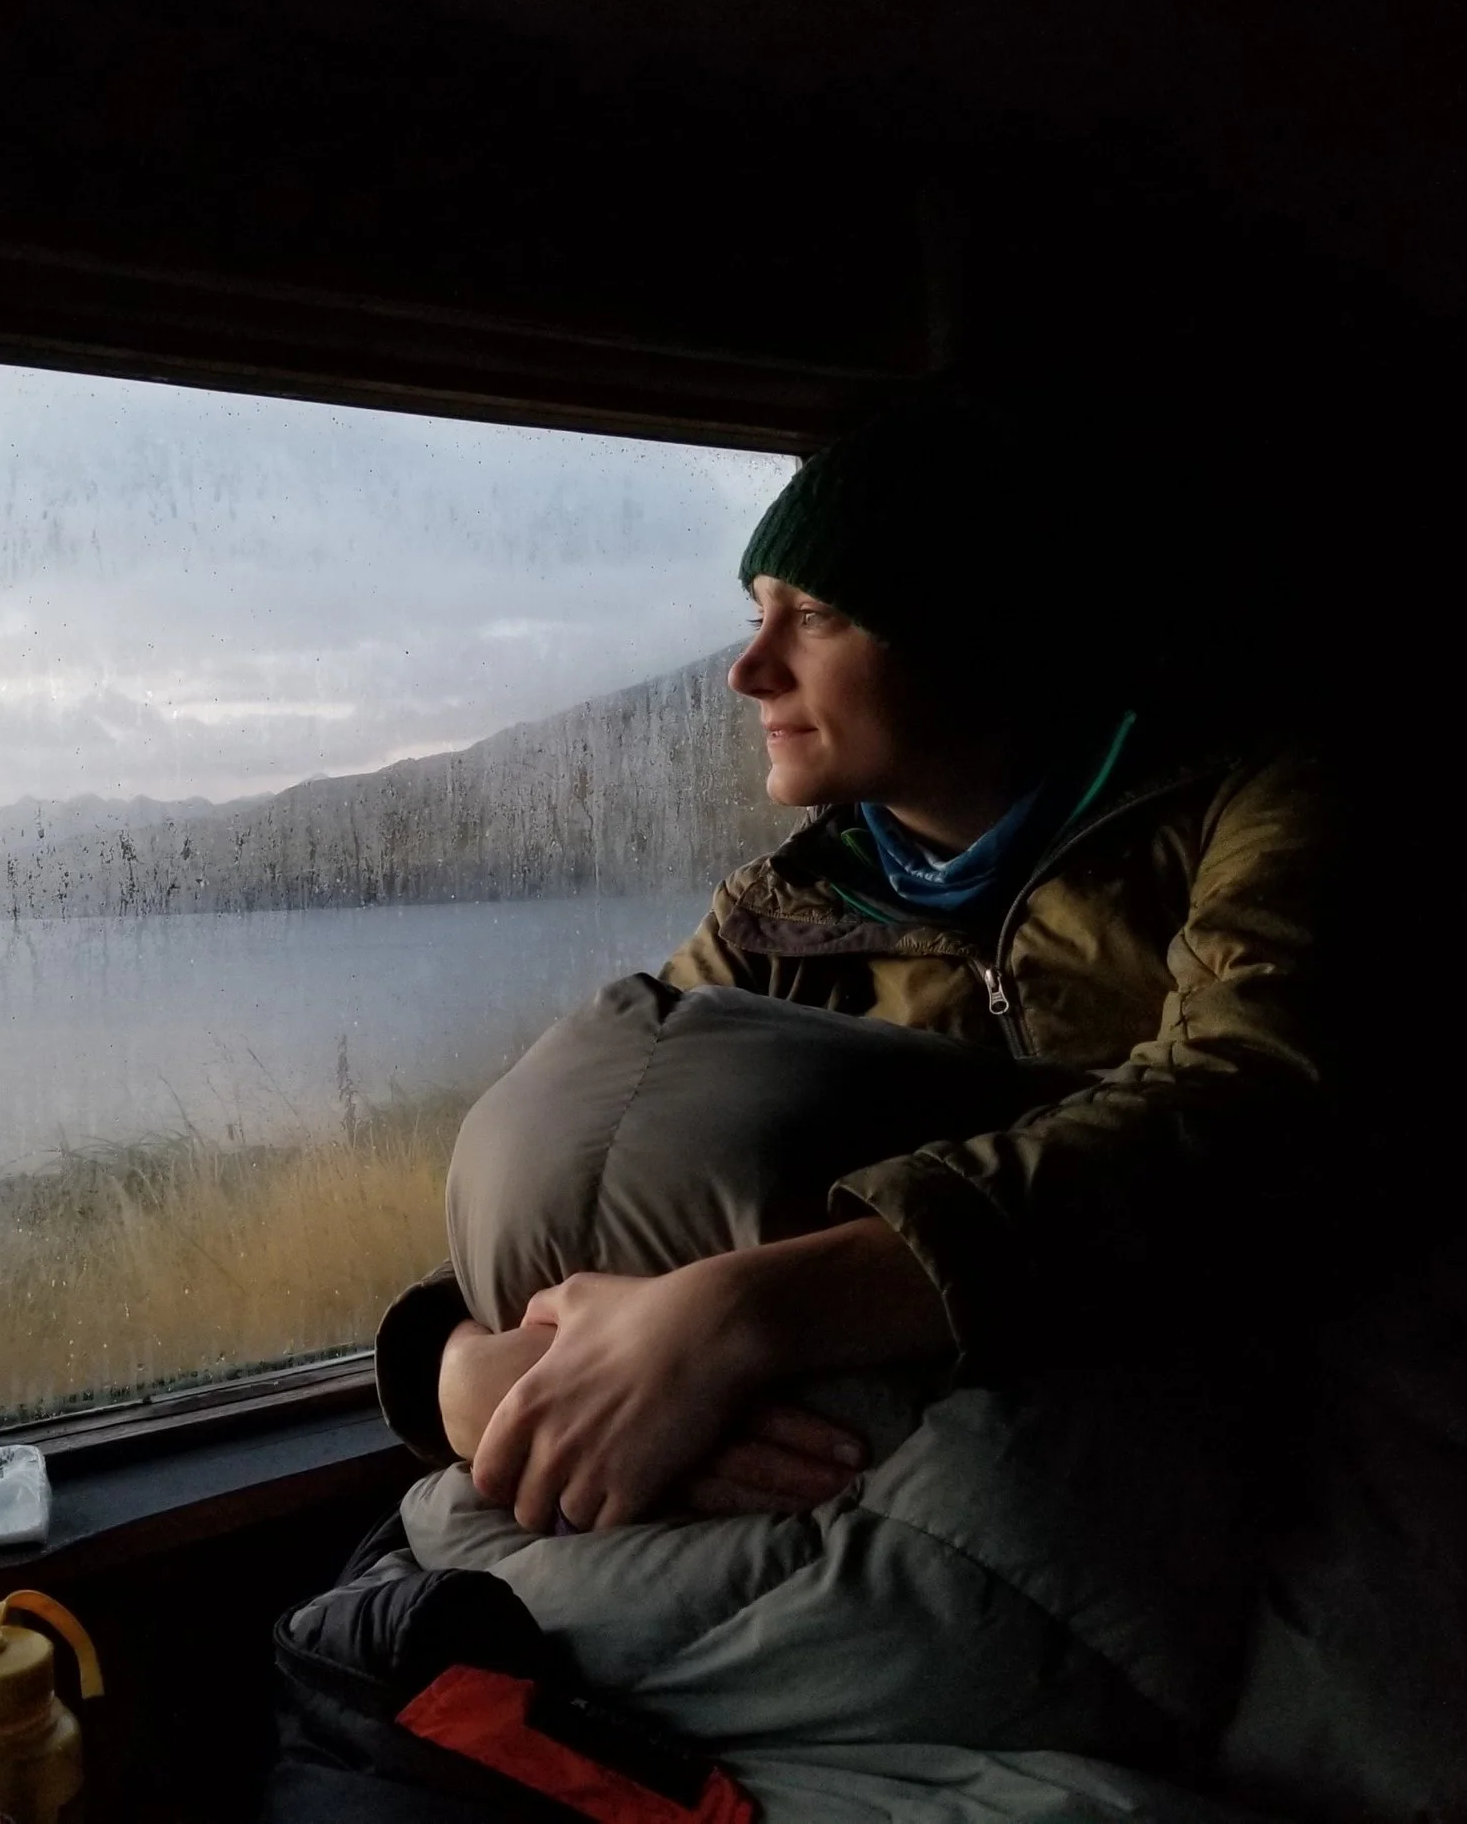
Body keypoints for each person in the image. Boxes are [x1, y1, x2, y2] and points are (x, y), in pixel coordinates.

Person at [373, 391, 1331, 1535]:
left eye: (814, 614)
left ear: (974, 629)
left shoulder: (1251, 808)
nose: (748, 670)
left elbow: (1250, 1108)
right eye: (754, 611)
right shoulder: (783, 913)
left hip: (1226, 1433)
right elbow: (599, 1173)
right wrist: (459, 1367)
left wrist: (747, 1314)